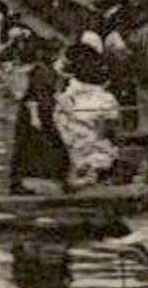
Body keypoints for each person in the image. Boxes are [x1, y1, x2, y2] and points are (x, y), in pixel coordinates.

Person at [52, 43, 121, 191]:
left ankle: (82, 170)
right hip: (84, 142)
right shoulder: (105, 98)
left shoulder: (68, 95)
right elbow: (108, 130)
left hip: (82, 144)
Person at [9, 57, 69, 194]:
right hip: (36, 122)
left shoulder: (41, 78)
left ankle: (32, 180)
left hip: (37, 121)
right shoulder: (42, 77)